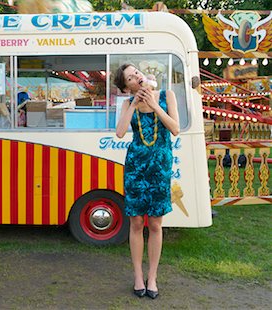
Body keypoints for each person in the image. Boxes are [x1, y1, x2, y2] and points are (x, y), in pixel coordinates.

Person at [114, 63, 179, 299]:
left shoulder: (166, 95)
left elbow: (175, 128)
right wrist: (133, 104)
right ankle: (138, 277)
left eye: (137, 72)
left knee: (155, 224)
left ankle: (152, 277)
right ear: (127, 86)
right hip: (135, 169)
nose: (137, 77)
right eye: (131, 77)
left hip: (160, 168)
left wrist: (154, 105)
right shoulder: (126, 103)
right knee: (136, 224)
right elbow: (120, 133)